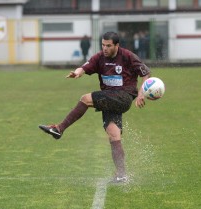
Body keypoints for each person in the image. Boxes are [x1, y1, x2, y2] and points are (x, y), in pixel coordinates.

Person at [39, 31, 151, 183]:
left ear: (117, 45)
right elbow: (85, 66)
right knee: (113, 134)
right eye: (103, 45)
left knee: (85, 99)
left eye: (108, 46)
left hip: (123, 97)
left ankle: (59, 129)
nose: (105, 48)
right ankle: (121, 174)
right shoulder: (99, 57)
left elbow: (145, 73)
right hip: (109, 99)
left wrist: (141, 94)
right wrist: (77, 73)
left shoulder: (128, 56)